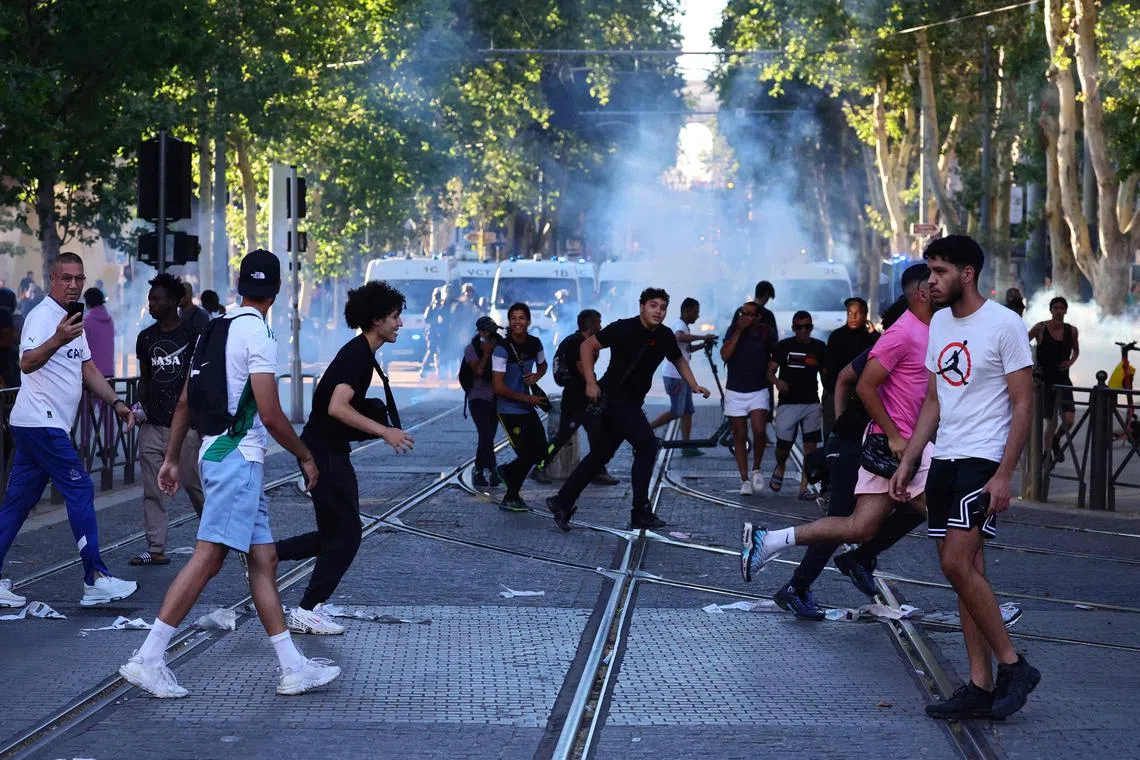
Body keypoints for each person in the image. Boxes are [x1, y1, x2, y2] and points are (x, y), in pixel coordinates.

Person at [118, 249, 340, 699]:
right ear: (277, 291)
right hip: (238, 457)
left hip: (218, 455)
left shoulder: (212, 329)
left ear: (240, 286)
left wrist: (171, 458)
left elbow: (184, 401)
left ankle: (292, 665)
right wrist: (306, 455)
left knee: (264, 560)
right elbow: (272, 414)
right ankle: (148, 657)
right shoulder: (258, 334)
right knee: (209, 558)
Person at [890, 235, 1040, 720]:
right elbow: (934, 400)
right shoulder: (938, 324)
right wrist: (910, 459)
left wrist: (1004, 475)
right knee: (966, 573)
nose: (929, 281)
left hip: (981, 461)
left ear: (967, 273)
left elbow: (1023, 403)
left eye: (938, 272)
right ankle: (979, 685)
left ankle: (1013, 665)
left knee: (956, 563)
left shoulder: (1005, 324)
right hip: (946, 460)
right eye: (929, 272)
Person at [748, 273, 932, 619]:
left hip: (884, 445)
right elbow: (849, 379)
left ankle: (856, 557)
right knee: (845, 519)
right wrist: (837, 426)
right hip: (858, 442)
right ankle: (796, 583)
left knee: (880, 517)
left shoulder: (922, 337)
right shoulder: (894, 340)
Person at [0, 252, 139, 609]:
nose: (74, 285)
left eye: (79, 278)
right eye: (66, 278)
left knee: (17, 505)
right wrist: (57, 340)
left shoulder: (72, 321)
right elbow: (27, 362)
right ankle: (95, 578)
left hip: (36, 424)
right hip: (41, 422)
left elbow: (89, 369)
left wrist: (118, 404)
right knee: (80, 487)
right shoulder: (42, 317)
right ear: (52, 279)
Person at [276, 281, 414, 635]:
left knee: (335, 533)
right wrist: (385, 431)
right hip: (323, 453)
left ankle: (265, 554)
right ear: (377, 319)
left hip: (326, 449)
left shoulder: (359, 353)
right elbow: (337, 407)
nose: (400, 323)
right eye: (395, 317)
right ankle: (307, 608)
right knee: (348, 535)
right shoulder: (357, 357)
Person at [546, 288, 710, 532]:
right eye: (653, 305)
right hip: (613, 399)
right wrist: (590, 382)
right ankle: (639, 511)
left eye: (662, 307)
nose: (658, 311)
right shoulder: (623, 327)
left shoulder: (664, 335)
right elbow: (587, 346)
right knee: (647, 445)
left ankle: (562, 500)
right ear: (642, 306)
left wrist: (694, 384)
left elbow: (678, 359)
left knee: (600, 454)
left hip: (632, 401)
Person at [130, 273, 205, 567]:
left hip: (185, 429)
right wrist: (138, 407)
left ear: (174, 301)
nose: (152, 304)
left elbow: (200, 381)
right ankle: (156, 547)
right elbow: (145, 378)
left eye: (158, 299)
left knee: (194, 485)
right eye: (150, 299)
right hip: (152, 425)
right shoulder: (145, 338)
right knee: (152, 489)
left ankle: (215, 540)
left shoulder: (193, 336)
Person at [537, 309, 618, 486]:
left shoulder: (577, 340)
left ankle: (598, 470)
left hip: (579, 395)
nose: (601, 326)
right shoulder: (578, 342)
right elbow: (583, 367)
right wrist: (595, 387)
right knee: (563, 436)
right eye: (598, 322)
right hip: (577, 397)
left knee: (597, 434)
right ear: (589, 324)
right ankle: (539, 466)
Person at [491, 303, 548, 510]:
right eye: (513, 318)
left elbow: (543, 364)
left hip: (527, 407)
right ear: (509, 322)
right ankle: (511, 496)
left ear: (529, 321)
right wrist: (527, 399)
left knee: (541, 451)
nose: (517, 322)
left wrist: (537, 376)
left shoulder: (535, 343)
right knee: (525, 455)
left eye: (522, 318)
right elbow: (498, 387)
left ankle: (506, 472)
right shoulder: (501, 349)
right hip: (508, 410)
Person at [767, 310, 826, 499]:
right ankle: (781, 465)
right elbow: (769, 372)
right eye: (799, 327)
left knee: (810, 447)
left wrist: (826, 399)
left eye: (807, 327)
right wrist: (777, 382)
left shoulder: (819, 347)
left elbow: (825, 374)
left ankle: (804, 486)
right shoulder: (783, 346)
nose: (803, 331)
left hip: (811, 403)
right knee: (783, 447)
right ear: (793, 328)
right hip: (788, 403)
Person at [720, 301, 777, 495]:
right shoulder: (733, 330)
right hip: (735, 390)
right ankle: (744, 479)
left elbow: (774, 356)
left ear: (758, 317)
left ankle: (757, 468)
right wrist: (737, 332)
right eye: (742, 313)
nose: (745, 317)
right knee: (739, 433)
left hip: (758, 389)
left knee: (759, 429)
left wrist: (773, 376)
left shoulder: (766, 333)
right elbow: (725, 355)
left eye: (750, 314)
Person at [650, 297, 716, 452]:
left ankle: (686, 445)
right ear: (686, 311)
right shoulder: (679, 326)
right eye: (695, 312)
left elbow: (686, 349)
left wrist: (702, 344)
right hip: (675, 376)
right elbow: (679, 337)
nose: (697, 316)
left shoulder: (685, 326)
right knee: (677, 411)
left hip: (682, 377)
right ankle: (647, 428)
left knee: (687, 412)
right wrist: (704, 336)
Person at [1029, 297, 1079, 463]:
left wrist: (1070, 362)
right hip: (1045, 379)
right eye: (1055, 308)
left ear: (1066, 310)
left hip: (1063, 379)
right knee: (1051, 420)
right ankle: (1047, 453)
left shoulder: (1071, 331)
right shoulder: (1041, 328)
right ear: (1051, 310)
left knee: (1069, 419)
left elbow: (1076, 351)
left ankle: (1057, 439)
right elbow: (1022, 343)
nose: (1058, 311)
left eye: (1061, 308)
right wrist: (1031, 366)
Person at [822, 297, 879, 437]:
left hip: (862, 396)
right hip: (836, 393)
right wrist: (831, 391)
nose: (852, 317)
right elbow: (828, 368)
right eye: (849, 313)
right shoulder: (837, 336)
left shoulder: (869, 337)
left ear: (865, 315)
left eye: (857, 313)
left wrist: (874, 334)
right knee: (834, 433)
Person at [465, 316, 502, 488]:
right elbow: (479, 371)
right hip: (478, 398)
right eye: (488, 333)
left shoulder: (501, 347)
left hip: (496, 398)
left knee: (488, 436)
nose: (491, 336)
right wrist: (487, 353)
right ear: (481, 332)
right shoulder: (471, 349)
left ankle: (478, 470)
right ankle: (493, 471)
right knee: (486, 434)